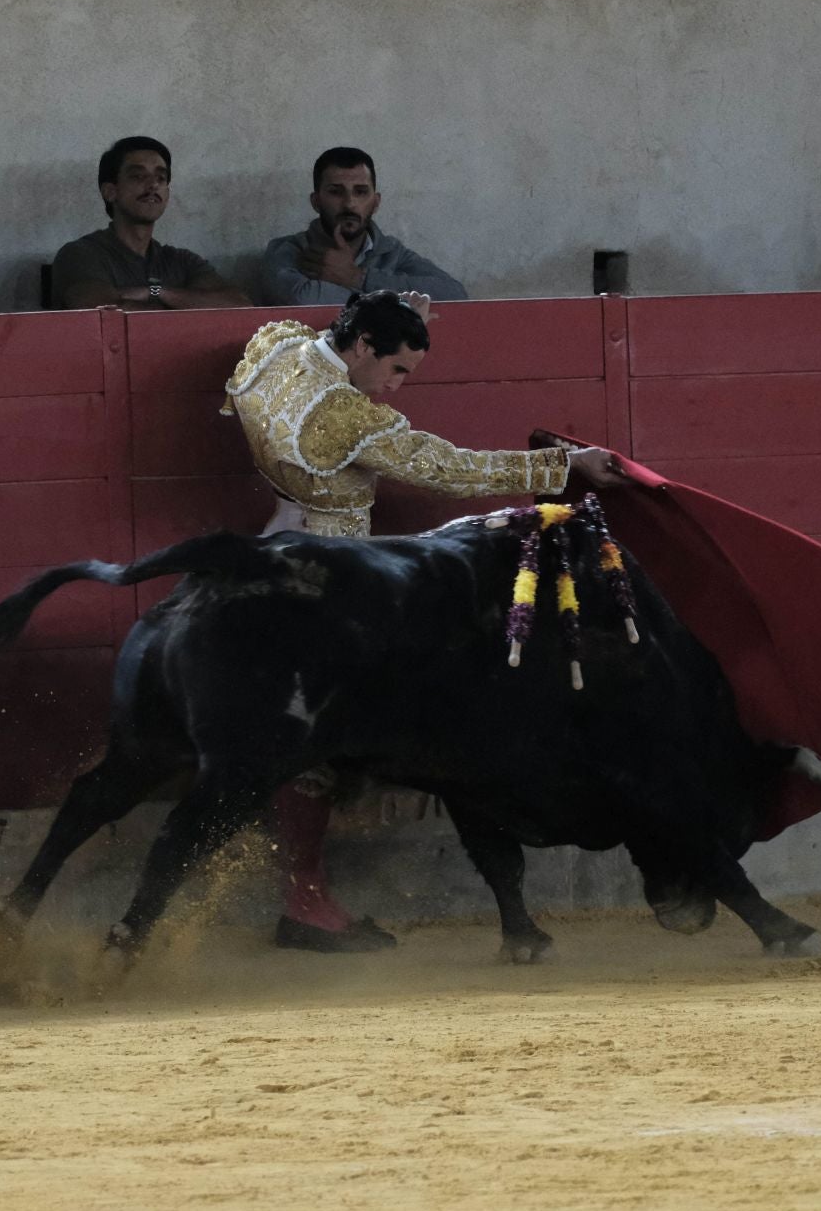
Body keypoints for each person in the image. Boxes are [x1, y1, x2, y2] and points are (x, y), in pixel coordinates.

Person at [222, 290, 626, 951]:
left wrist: (385, 307)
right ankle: (306, 896)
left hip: (275, 541)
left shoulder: (280, 347)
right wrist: (564, 465)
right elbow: (451, 468)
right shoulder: (348, 418)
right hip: (338, 574)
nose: (397, 388)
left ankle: (308, 887)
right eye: (397, 369)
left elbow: (242, 384)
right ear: (361, 347)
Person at [50, 137, 249, 311]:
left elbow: (240, 305)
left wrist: (156, 292)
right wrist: (186, 305)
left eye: (161, 178)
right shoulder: (80, 254)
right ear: (110, 191)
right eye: (138, 176)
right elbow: (103, 311)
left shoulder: (182, 261)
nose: (153, 185)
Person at [259, 147, 467, 306]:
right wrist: (395, 304)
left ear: (375, 202)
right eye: (336, 192)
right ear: (316, 201)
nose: (349, 203)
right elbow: (302, 299)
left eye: (360, 192)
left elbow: (454, 295)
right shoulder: (288, 250)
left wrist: (357, 277)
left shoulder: (391, 253)